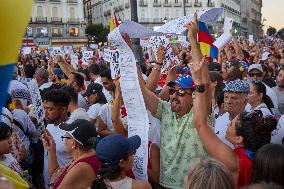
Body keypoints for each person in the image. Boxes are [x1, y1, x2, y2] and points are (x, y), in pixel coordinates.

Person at [137, 15, 208, 188]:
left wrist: (192, 39)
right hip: (164, 185)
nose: (174, 95)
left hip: (194, 185)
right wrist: (130, 63)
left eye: (181, 92)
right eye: (172, 90)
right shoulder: (166, 110)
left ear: (194, 95)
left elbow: (203, 82)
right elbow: (143, 92)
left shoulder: (201, 114)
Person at [191, 57, 278, 187]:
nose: (228, 101)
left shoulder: (236, 160)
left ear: (239, 139)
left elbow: (200, 124)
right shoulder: (224, 119)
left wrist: (199, 84)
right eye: (226, 97)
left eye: (231, 125)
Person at [42, 119, 100, 189]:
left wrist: (52, 183)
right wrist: (51, 150)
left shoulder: (80, 168)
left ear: (73, 143)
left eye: (66, 136)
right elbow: (55, 174)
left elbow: (55, 180)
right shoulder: (84, 156)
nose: (64, 140)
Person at [42, 89, 72, 188]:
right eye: (44, 109)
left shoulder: (71, 132)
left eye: (50, 109)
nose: (45, 114)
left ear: (63, 109)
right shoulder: (49, 125)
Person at [214, 80, 249, 148]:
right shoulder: (221, 117)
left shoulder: (248, 123)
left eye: (233, 98)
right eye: (226, 97)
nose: (228, 101)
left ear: (245, 101)